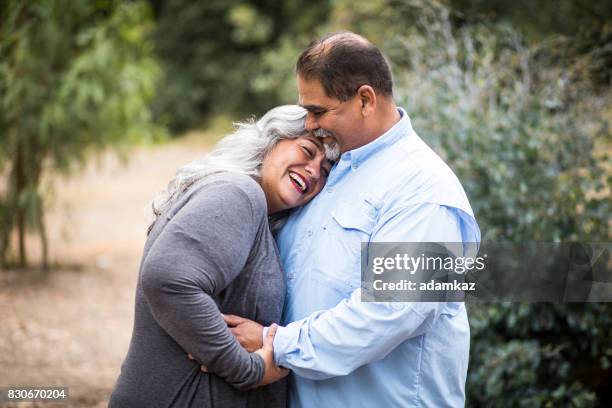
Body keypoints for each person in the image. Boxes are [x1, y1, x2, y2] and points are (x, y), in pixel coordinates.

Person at [220, 32, 481, 407]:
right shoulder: (327, 172)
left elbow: (389, 312)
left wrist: (275, 344)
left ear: (364, 100)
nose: (309, 124)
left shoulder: (425, 192)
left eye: (318, 110)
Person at [109, 105, 338, 408]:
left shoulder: (255, 211)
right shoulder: (239, 193)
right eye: (308, 151)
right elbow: (168, 279)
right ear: (271, 141)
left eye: (325, 171)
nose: (313, 170)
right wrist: (250, 370)